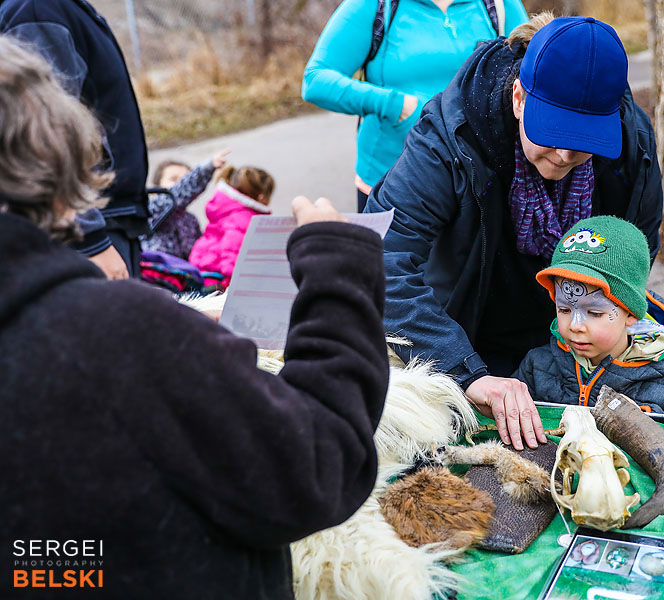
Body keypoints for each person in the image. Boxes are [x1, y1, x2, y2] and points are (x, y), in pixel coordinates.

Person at [0, 36, 389, 598]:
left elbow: (46, 561)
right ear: (52, 153)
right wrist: (338, 265)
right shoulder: (117, 336)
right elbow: (317, 463)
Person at [365, 14, 664, 449]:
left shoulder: (629, 144)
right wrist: (466, 373)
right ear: (520, 97)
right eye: (553, 132)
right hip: (459, 330)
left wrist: (596, 341)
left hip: (564, 340)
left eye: (583, 140)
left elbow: (636, 252)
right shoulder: (449, 136)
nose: (563, 154)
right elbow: (378, 257)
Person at [302, 0, 528, 211]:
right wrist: (395, 105)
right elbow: (316, 80)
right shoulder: (377, 5)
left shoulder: (498, 5)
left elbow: (532, 77)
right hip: (391, 183)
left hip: (478, 184)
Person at [0, 0, 151, 280]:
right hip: (91, 229)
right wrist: (89, 241)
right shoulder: (35, 8)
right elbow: (46, 139)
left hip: (107, 222)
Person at [511, 216, 664, 417]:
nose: (575, 325)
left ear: (631, 313)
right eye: (564, 309)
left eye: (594, 313)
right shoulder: (536, 368)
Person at [189, 164, 276, 287]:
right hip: (215, 275)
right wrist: (234, 282)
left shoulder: (229, 208)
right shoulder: (244, 217)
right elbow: (232, 251)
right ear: (262, 198)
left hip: (203, 264)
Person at [143, 149, 231, 260]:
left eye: (184, 178)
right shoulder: (151, 209)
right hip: (157, 273)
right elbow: (178, 193)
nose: (180, 183)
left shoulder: (191, 220)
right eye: (173, 179)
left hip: (185, 274)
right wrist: (207, 168)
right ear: (157, 185)